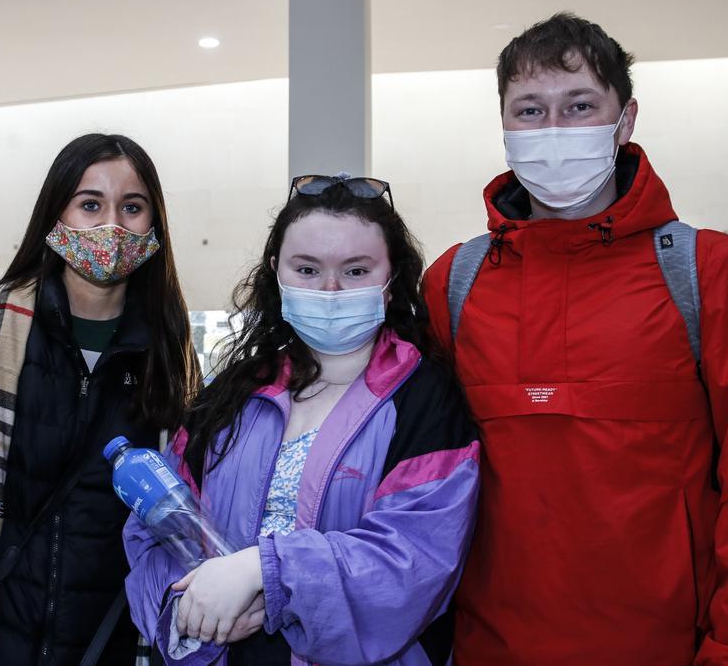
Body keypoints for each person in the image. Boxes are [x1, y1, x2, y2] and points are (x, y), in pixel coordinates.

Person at [421, 13, 728, 664]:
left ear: (625, 120)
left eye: (579, 106)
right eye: (530, 110)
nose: (553, 131)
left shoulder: (711, 274)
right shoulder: (453, 284)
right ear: (504, 127)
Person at [126, 174, 481, 664]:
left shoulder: (425, 402)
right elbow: (153, 527)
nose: (330, 290)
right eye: (307, 269)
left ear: (392, 278)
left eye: (356, 271)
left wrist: (264, 572)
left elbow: (411, 564)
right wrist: (189, 606)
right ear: (276, 271)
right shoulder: (232, 395)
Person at [0, 133, 201, 665]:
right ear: (56, 214)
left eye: (132, 206)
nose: (111, 225)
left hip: (115, 642)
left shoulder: (169, 350)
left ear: (155, 224)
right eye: (89, 204)